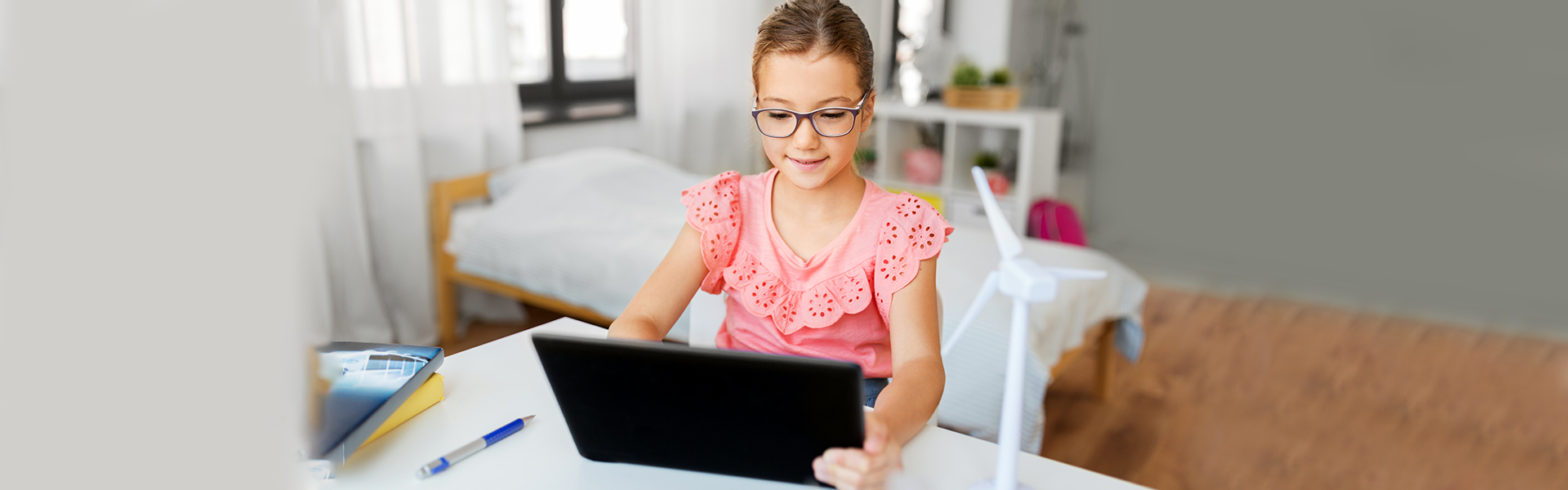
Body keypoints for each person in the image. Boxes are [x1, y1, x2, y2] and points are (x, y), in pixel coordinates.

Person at [607, 1, 951, 488]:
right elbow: (639, 321)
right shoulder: (726, 205)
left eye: (831, 114)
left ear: (867, 109)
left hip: (852, 423)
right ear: (757, 105)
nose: (804, 140)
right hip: (733, 413)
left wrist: (882, 431)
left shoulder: (900, 226)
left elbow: (920, 368)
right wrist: (648, 382)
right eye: (779, 114)